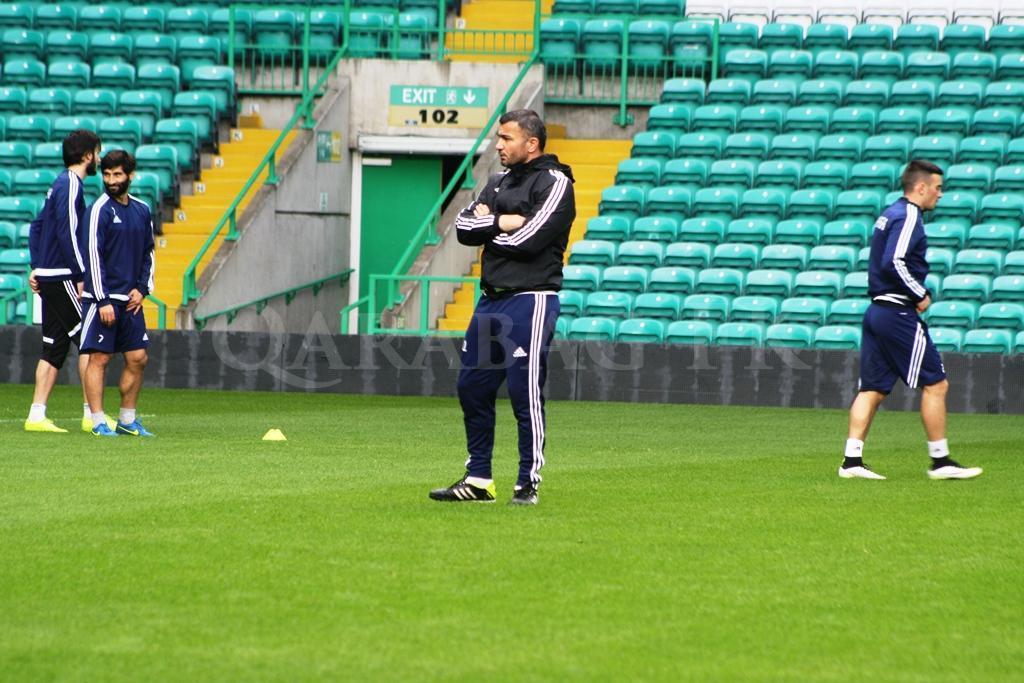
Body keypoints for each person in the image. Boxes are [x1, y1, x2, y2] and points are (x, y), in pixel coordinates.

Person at [430, 109, 575, 505]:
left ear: (532, 143)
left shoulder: (556, 183)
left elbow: (527, 241)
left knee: (523, 392)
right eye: (499, 137)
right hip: (490, 299)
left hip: (532, 299)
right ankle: (479, 480)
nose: (498, 145)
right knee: (471, 388)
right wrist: (504, 221)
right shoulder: (497, 181)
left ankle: (527, 482)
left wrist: (490, 224)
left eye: (506, 138)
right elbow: (462, 229)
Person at [839, 160, 982, 481]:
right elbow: (894, 261)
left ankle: (851, 461)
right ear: (921, 187)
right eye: (938, 188)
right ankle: (940, 461)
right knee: (936, 383)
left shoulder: (890, 213)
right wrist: (920, 293)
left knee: (872, 388)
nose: (940, 194)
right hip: (897, 313)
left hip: (877, 311)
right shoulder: (908, 215)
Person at [24, 129, 104, 434]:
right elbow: (68, 232)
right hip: (62, 276)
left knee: (53, 347)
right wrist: (81, 274)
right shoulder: (71, 184)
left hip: (49, 275)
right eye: (97, 153)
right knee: (89, 341)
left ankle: (36, 415)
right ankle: (91, 415)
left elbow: (36, 227)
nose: (99, 159)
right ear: (87, 156)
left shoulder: (58, 183)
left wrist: (36, 267)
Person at [80, 150, 156, 437]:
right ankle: (98, 422)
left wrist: (143, 289)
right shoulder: (98, 210)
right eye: (107, 175)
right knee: (99, 358)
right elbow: (93, 256)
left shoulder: (142, 210)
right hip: (102, 301)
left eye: (117, 175)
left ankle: (127, 420)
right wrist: (102, 299)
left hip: (131, 301)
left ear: (130, 175)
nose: (111, 181)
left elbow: (149, 253)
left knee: (138, 358)